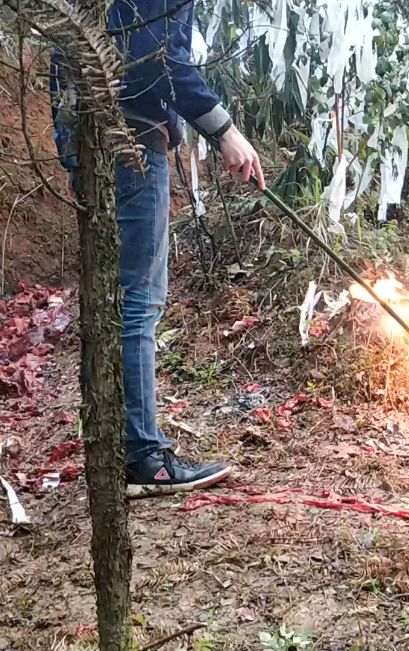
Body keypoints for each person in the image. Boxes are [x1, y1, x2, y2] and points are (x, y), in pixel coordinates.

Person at [50, 1, 264, 497]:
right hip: (128, 141)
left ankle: (117, 446)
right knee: (139, 301)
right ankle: (144, 456)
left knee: (119, 301)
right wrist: (225, 131)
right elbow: (160, 62)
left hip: (96, 138)